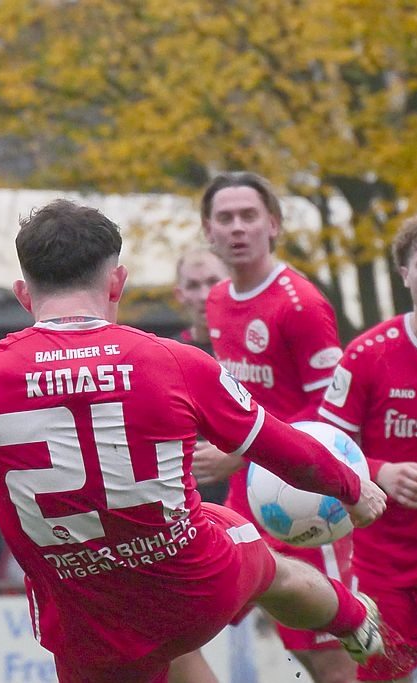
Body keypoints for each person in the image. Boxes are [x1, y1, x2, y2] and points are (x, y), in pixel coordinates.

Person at [0, 198, 389, 683]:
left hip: (85, 612)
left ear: (23, 293)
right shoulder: (175, 362)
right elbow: (282, 448)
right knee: (265, 564)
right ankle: (352, 619)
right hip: (195, 584)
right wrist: (352, 488)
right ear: (117, 282)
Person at [196, 171, 355, 683]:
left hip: (304, 495)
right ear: (208, 230)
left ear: (274, 224)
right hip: (244, 498)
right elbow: (240, 399)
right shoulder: (218, 300)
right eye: (225, 218)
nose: (237, 228)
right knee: (179, 623)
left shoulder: (301, 304)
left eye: (249, 216)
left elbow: (332, 417)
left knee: (332, 657)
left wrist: (243, 451)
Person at [317, 210, 417, 682]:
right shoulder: (369, 355)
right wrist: (379, 471)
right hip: (388, 567)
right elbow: (326, 447)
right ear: (405, 274)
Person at [167, 248, 230, 683]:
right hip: (190, 520)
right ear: (180, 294)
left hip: (271, 511)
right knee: (173, 645)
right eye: (194, 285)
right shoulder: (167, 355)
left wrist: (238, 457)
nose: (205, 293)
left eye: (213, 282)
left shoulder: (258, 348)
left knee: (323, 658)